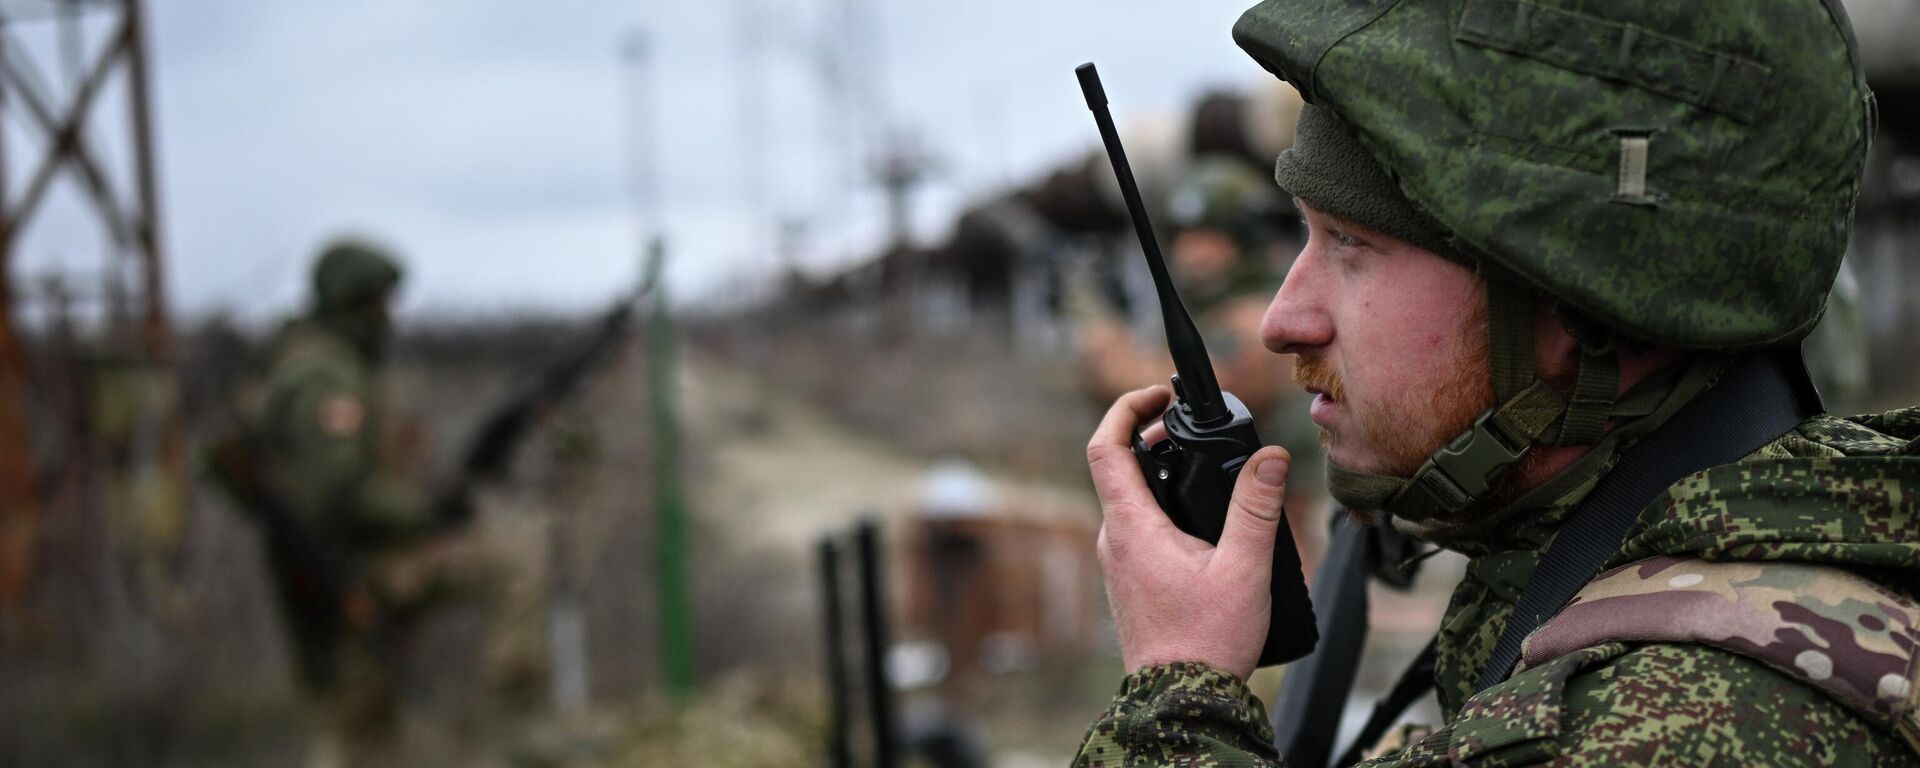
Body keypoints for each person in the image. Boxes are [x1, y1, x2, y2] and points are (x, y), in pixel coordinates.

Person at [1075, 1, 1920, 765]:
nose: (1283, 319)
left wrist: (1176, 689)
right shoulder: (1719, 569)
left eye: (1352, 243)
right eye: (1307, 236)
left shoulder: (1666, 730)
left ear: (1583, 305)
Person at [215, 239, 474, 765]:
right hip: (330, 563)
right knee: (344, 713)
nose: (387, 319)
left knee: (362, 710)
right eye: (378, 304)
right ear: (353, 304)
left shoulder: (315, 359)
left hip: (331, 561)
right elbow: (339, 489)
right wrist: (421, 518)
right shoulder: (321, 374)